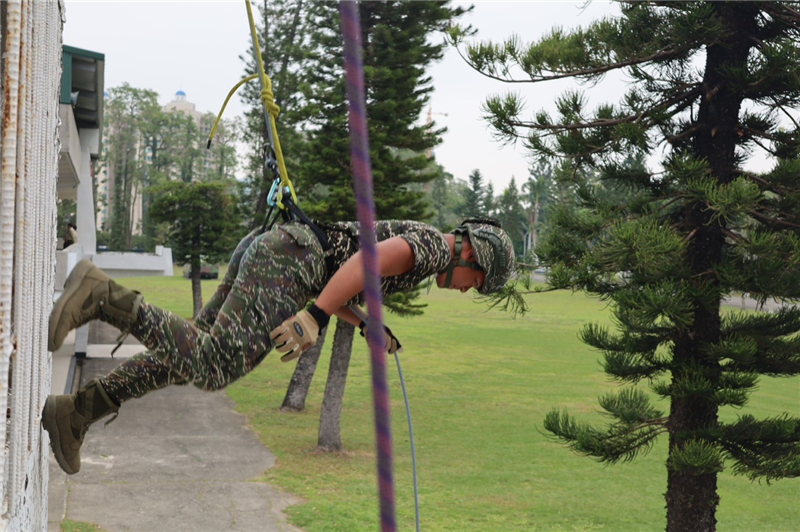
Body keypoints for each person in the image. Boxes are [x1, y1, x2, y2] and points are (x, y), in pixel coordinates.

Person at [43, 217, 515, 475]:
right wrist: (315, 314)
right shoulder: (434, 248)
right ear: (472, 253)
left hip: (285, 251)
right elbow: (365, 259)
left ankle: (79, 410)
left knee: (187, 358)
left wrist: (366, 322)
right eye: (479, 282)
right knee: (215, 365)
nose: (471, 289)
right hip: (292, 260)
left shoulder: (427, 247)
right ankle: (104, 296)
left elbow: (349, 274)